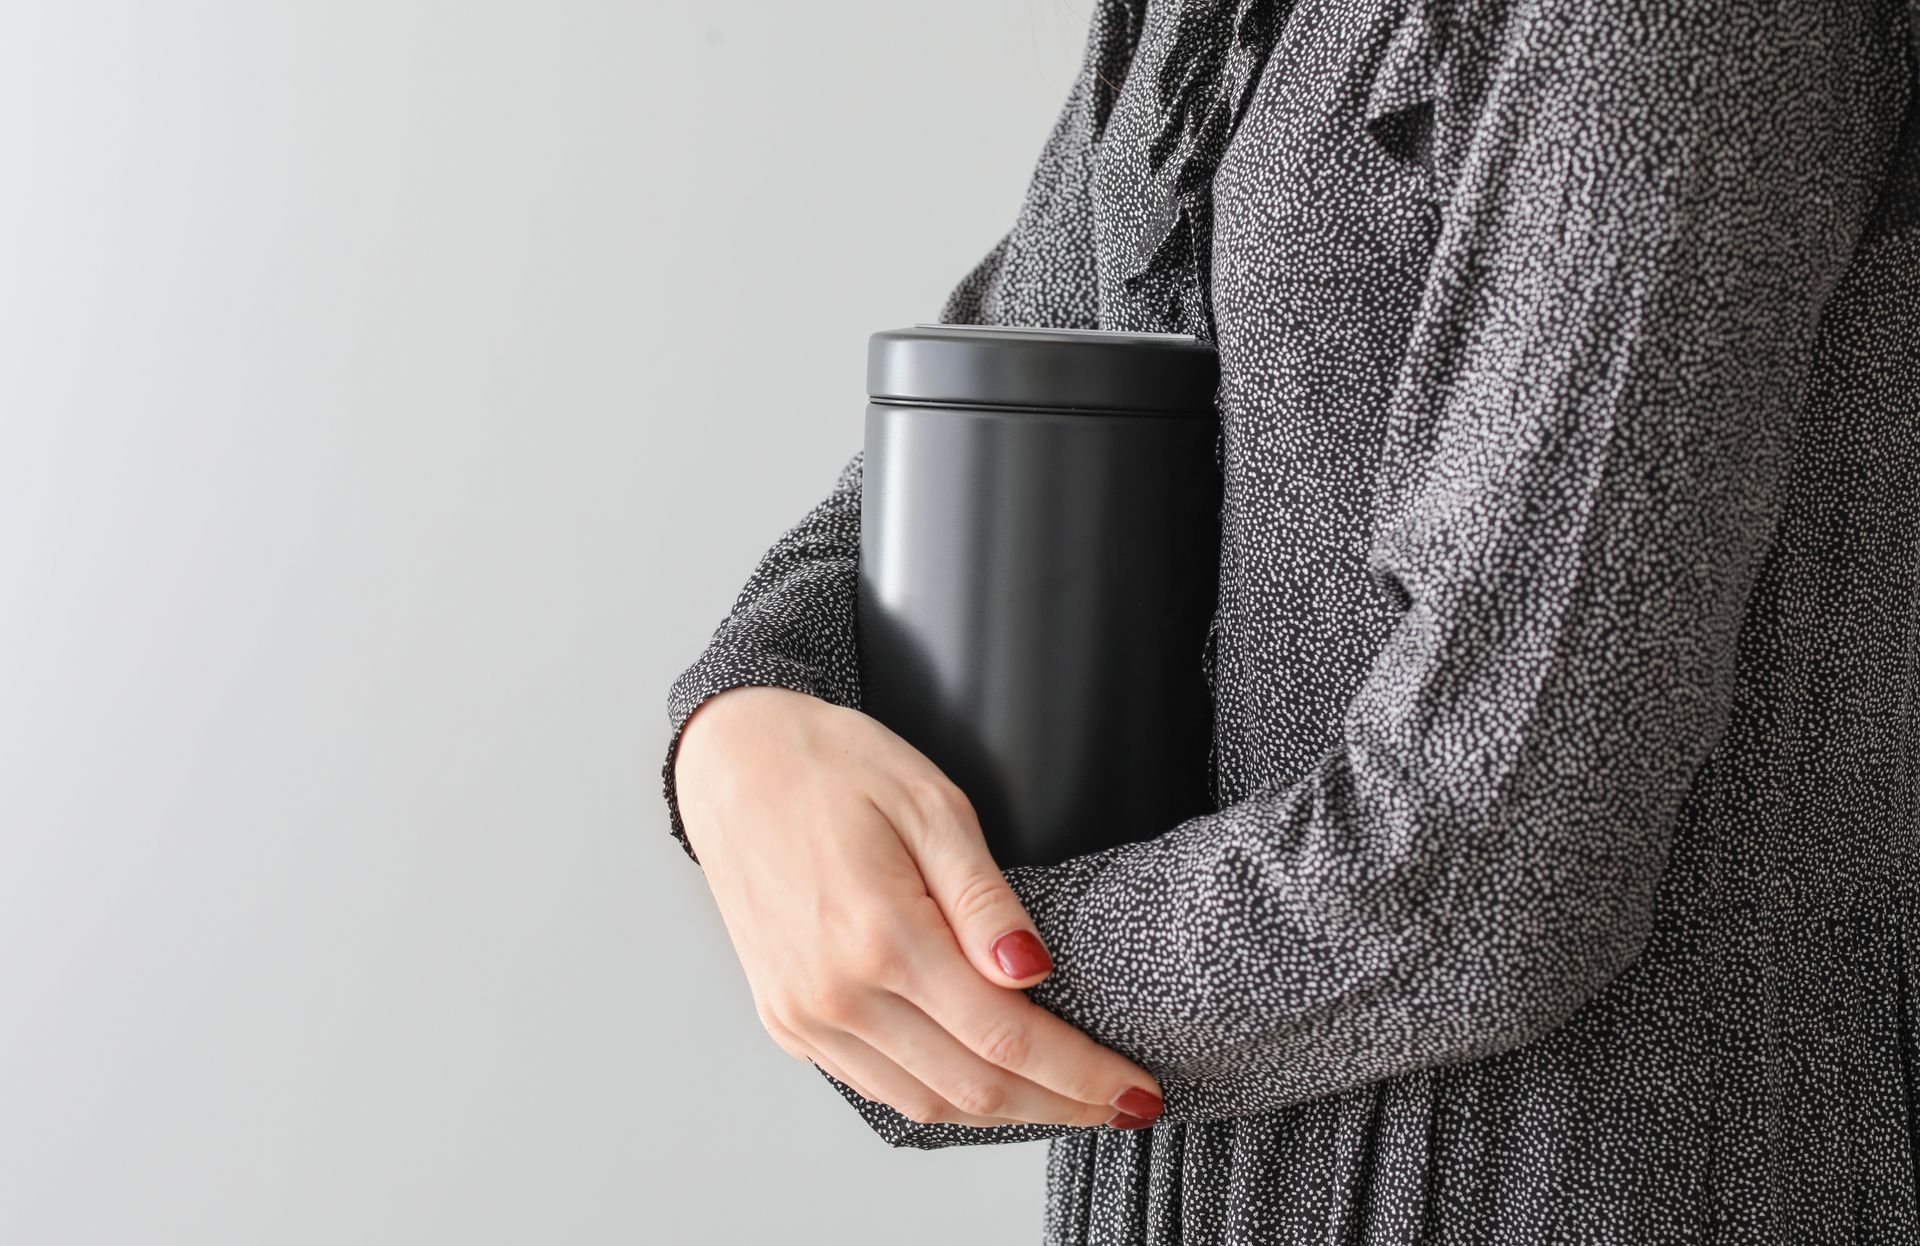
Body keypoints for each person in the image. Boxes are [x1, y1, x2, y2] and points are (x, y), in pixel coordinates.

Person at [664, 0, 1920, 1239]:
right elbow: (979, 410)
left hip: (1606, 1174)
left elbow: (1497, 866)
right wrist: (743, 722)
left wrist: (925, 973)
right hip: (1176, 1184)